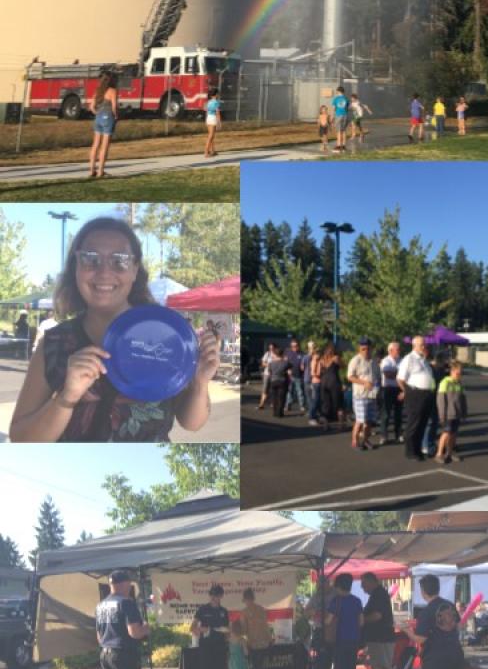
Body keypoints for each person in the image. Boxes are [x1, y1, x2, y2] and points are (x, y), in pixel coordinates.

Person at [10, 217, 217, 442]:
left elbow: (192, 423)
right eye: (90, 259)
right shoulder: (54, 343)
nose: (104, 273)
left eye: (120, 260)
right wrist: (66, 397)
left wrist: (200, 382)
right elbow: (21, 438)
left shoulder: (166, 334)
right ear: (75, 268)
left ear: (135, 269)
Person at [325, 572, 364, 669]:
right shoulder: (357, 601)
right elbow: (361, 622)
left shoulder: (336, 601)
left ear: (339, 586)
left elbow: (328, 621)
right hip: (353, 641)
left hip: (340, 641)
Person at [192, 585, 230, 669]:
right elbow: (193, 628)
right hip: (206, 649)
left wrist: (227, 633)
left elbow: (226, 630)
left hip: (220, 649)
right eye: (212, 595)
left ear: (221, 596)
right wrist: (203, 629)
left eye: (217, 595)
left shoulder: (224, 611)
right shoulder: (203, 609)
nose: (214, 598)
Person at [398, 335, 436, 460]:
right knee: (413, 424)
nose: (424, 346)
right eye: (421, 345)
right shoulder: (409, 359)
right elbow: (400, 379)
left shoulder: (423, 360)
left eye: (424, 344)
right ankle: (410, 451)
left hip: (427, 394)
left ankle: (418, 449)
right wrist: (408, 391)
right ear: (414, 346)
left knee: (422, 424)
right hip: (415, 394)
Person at [360, 572, 395, 669]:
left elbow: (377, 615)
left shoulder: (379, 594)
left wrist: (362, 620)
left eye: (364, 584)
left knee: (381, 665)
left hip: (381, 637)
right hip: (378, 637)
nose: (362, 588)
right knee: (378, 665)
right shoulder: (377, 594)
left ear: (371, 582)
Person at [239, 587, 273, 669]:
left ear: (246, 599)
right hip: (264, 643)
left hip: (253, 644)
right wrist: (270, 639)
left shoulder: (244, 612)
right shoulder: (262, 609)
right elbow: (266, 627)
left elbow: (243, 630)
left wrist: (234, 631)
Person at [87, 69, 120, 180]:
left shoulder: (98, 91)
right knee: (104, 146)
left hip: (98, 118)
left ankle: (92, 170)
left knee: (95, 145)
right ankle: (101, 171)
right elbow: (114, 107)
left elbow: (91, 107)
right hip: (108, 118)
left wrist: (98, 113)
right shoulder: (112, 91)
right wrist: (116, 116)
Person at [434, 358, 467, 463]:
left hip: (457, 414)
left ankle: (450, 453)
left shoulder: (459, 383)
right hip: (448, 414)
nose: (459, 375)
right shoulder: (445, 382)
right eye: (458, 373)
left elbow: (463, 399)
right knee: (446, 433)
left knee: (454, 434)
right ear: (452, 372)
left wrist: (464, 412)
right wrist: (442, 415)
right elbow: (441, 401)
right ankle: (439, 454)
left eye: (460, 373)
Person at [347, 336, 376, 452]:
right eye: (363, 348)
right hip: (360, 395)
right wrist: (364, 382)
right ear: (359, 348)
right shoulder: (355, 360)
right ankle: (355, 441)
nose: (366, 351)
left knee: (369, 421)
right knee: (360, 420)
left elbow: (377, 376)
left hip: (371, 395)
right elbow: (350, 377)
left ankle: (366, 440)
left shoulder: (373, 361)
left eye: (368, 348)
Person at [316, 343, 346, 432]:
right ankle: (341, 424)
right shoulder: (335, 358)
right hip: (334, 382)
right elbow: (344, 366)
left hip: (324, 382)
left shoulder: (321, 360)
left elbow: (318, 372)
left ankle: (326, 425)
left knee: (326, 404)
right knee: (339, 403)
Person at [379, 340, 404, 445]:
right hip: (388, 389)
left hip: (398, 389)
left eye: (399, 349)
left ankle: (398, 435)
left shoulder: (401, 360)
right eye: (397, 350)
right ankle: (384, 436)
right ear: (390, 350)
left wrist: (396, 374)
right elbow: (387, 374)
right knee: (386, 414)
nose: (399, 351)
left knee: (399, 413)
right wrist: (399, 374)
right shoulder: (386, 361)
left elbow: (406, 374)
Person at [263, 342, 291, 419]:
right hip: (282, 381)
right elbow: (290, 367)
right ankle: (280, 412)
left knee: (274, 397)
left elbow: (269, 371)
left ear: (275, 354)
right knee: (281, 397)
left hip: (273, 381)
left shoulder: (271, 363)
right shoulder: (285, 363)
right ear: (282, 354)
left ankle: (275, 412)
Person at [285, 337, 308, 415]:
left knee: (300, 392)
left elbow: (305, 364)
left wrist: (303, 367)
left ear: (298, 346)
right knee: (289, 392)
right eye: (292, 346)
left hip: (299, 376)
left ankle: (302, 406)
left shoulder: (302, 354)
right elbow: (285, 363)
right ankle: (288, 405)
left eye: (295, 346)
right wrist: (287, 370)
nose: (294, 348)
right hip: (290, 376)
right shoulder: (288, 353)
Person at [203, 87, 222, 157]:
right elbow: (217, 113)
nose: (218, 95)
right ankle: (206, 152)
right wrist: (219, 122)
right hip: (213, 118)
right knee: (210, 136)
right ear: (216, 94)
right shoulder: (216, 102)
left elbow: (206, 111)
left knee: (211, 136)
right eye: (218, 94)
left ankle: (213, 151)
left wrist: (206, 120)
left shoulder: (208, 102)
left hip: (208, 118)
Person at [331, 86, 350, 153]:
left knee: (339, 131)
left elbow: (333, 108)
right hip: (345, 115)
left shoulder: (336, 99)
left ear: (338, 91)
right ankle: (344, 145)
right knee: (344, 131)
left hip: (338, 115)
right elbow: (347, 108)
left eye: (337, 91)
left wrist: (332, 117)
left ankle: (338, 145)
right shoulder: (346, 99)